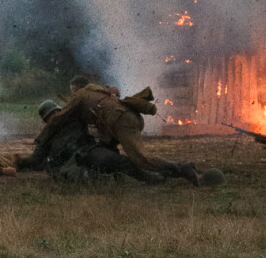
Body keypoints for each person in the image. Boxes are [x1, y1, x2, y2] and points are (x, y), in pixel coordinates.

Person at [35, 76, 202, 186]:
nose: (72, 95)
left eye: (72, 92)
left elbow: (58, 118)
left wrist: (41, 139)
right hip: (124, 120)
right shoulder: (99, 90)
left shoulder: (81, 95)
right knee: (107, 147)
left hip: (121, 122)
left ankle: (182, 168)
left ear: (77, 89)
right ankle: (137, 176)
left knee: (141, 159)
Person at [15, 99, 167, 184]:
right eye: (51, 116)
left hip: (88, 151)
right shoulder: (46, 136)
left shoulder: (74, 119)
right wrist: (19, 162)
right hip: (72, 164)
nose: (55, 116)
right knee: (89, 180)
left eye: (56, 113)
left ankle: (152, 177)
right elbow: (35, 160)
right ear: (46, 119)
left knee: (120, 161)